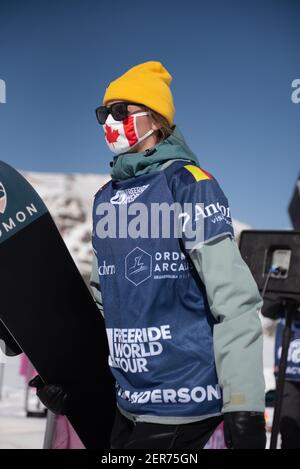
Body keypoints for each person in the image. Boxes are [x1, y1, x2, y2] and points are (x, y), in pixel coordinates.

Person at [31, 61, 266, 449]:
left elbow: (235, 301)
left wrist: (245, 404)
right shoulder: (106, 199)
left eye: (121, 111)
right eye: (103, 113)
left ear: (156, 120)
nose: (109, 121)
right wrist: (71, 372)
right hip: (126, 402)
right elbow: (102, 302)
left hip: (182, 399)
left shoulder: (189, 184)